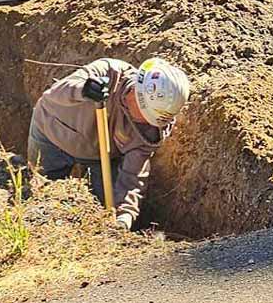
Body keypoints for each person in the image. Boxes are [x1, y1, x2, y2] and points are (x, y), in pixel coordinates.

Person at [26, 57, 192, 229]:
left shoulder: (148, 130)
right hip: (53, 133)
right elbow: (55, 94)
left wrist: (124, 218)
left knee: (105, 206)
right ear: (136, 94)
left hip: (99, 155)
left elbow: (132, 178)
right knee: (42, 198)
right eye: (146, 115)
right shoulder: (109, 72)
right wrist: (83, 90)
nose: (148, 123)